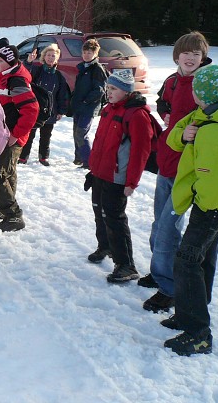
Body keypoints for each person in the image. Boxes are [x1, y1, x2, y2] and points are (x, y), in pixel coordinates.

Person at [160, 65, 218, 355]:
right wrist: (184, 135)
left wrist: (203, 203)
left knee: (186, 261)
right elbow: (173, 138)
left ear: (203, 95)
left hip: (212, 205)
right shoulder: (210, 113)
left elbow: (214, 179)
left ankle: (198, 333)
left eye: (196, 90)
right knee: (203, 256)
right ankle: (189, 310)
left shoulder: (214, 132)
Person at [140, 31, 211, 312]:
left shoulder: (206, 83)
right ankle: (160, 271)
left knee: (169, 229)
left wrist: (197, 130)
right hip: (167, 161)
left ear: (203, 58)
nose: (190, 58)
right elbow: (162, 101)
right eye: (186, 53)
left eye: (196, 53)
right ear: (177, 55)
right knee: (159, 224)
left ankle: (169, 287)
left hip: (189, 167)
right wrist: (166, 113)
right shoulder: (172, 80)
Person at [86, 70, 155, 283]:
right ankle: (105, 246)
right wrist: (93, 169)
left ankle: (126, 264)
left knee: (114, 218)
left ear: (126, 90)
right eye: (108, 88)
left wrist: (131, 181)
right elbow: (100, 142)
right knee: (99, 212)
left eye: (114, 89)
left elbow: (140, 152)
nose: (109, 92)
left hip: (117, 178)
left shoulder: (136, 115)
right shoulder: (108, 109)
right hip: (100, 173)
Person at [0, 44, 39, 232]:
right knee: (7, 173)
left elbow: (31, 110)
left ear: (10, 62)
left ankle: (13, 215)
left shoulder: (16, 81)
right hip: (5, 135)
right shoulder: (6, 76)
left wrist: (16, 134)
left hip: (11, 138)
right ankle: (5, 210)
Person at [20, 44, 70, 166]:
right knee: (30, 134)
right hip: (35, 109)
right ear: (44, 57)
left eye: (53, 56)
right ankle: (23, 156)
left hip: (50, 110)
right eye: (48, 55)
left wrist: (61, 111)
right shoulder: (37, 70)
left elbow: (62, 95)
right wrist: (28, 62)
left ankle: (43, 157)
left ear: (56, 59)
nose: (50, 58)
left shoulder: (59, 76)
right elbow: (25, 74)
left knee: (46, 135)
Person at [70, 38, 107, 169]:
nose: (86, 55)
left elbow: (100, 90)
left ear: (95, 54)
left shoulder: (97, 69)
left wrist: (87, 100)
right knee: (76, 132)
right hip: (79, 106)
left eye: (89, 53)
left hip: (89, 107)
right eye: (84, 52)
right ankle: (79, 158)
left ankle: (88, 162)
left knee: (81, 133)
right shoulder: (83, 67)